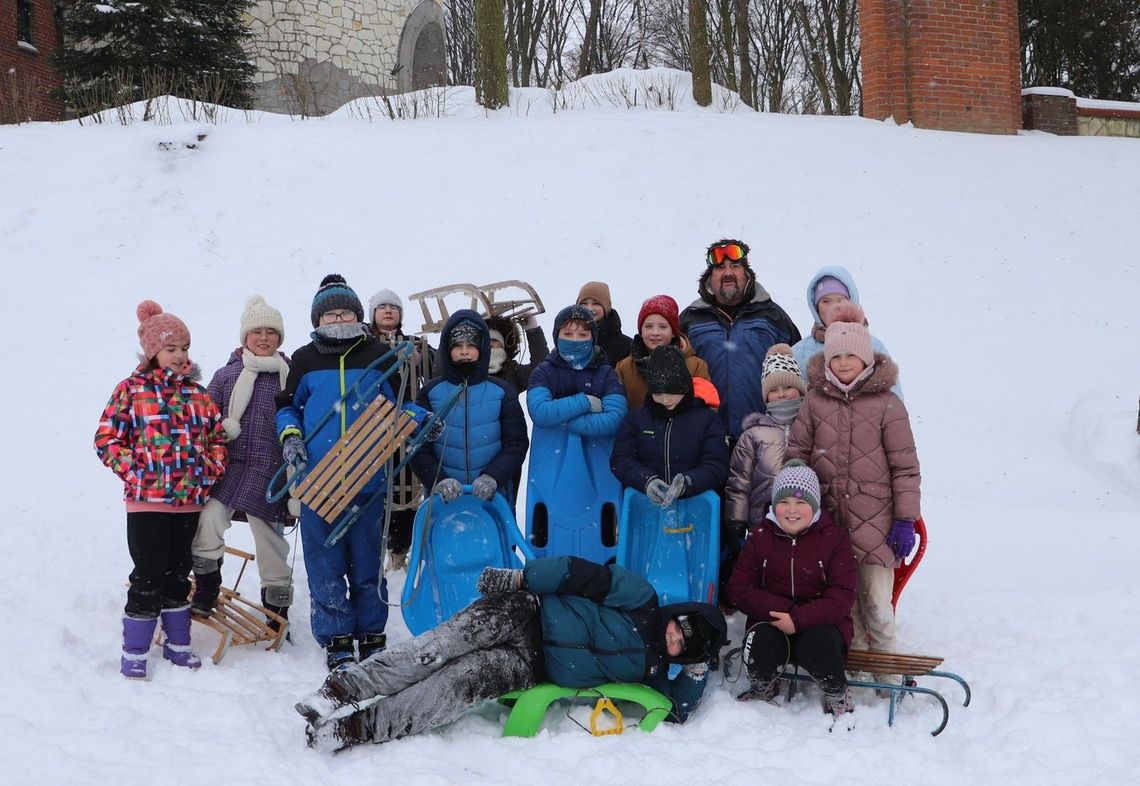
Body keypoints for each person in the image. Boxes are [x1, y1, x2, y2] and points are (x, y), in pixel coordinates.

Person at [295, 556, 728, 751]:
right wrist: (522, 580)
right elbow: (579, 574)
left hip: (531, 667)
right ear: (678, 614)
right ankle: (338, 691)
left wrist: (697, 667)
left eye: (681, 648)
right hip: (527, 613)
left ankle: (355, 731)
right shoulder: (643, 599)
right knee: (439, 648)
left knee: (453, 690)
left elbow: (676, 711)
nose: (673, 640)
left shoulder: (652, 669)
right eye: (678, 630)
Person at [276, 274, 434, 671]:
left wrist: (422, 419)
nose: (337, 319)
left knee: (366, 563)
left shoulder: (376, 354)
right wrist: (291, 436)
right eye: (329, 315)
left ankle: (372, 633)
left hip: (369, 477)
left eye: (344, 311)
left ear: (357, 314)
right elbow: (287, 407)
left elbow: (398, 404)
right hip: (319, 481)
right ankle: (338, 638)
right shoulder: (305, 359)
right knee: (324, 564)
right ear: (317, 320)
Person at [784, 303, 920, 682]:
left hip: (877, 523)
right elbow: (797, 454)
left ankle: (887, 676)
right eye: (836, 355)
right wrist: (798, 504)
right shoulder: (815, 400)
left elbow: (905, 466)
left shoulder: (887, 405)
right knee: (844, 607)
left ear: (866, 359)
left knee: (877, 603)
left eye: (851, 356)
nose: (843, 363)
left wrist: (905, 519)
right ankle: (855, 675)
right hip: (829, 522)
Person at [95, 300, 227, 679]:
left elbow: (217, 436)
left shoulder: (198, 394)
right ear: (153, 351)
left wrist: (210, 467)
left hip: (188, 502)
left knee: (178, 573)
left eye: (184, 348)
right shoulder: (131, 390)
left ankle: (178, 643)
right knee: (148, 573)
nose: (179, 355)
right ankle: (135, 650)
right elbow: (106, 439)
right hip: (147, 502)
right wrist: (133, 472)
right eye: (171, 349)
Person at [190, 296, 294, 631]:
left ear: (279, 338)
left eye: (270, 332)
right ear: (244, 338)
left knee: (269, 539)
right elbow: (205, 415)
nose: (263, 338)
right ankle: (207, 587)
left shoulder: (289, 375)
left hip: (269, 468)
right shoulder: (226, 375)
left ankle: (276, 609)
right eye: (256, 332)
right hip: (229, 466)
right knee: (208, 521)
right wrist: (216, 430)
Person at [726, 461, 858, 717]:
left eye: (801, 502)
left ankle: (837, 692)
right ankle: (764, 686)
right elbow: (738, 589)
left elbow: (842, 596)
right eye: (784, 502)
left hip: (821, 624)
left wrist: (799, 619)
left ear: (815, 505)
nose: (792, 510)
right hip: (773, 621)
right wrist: (784, 612)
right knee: (759, 642)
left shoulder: (835, 538)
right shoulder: (760, 536)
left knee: (818, 644)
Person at [526, 305, 628, 558]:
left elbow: (614, 419)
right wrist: (585, 402)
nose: (575, 340)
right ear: (556, 336)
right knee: (549, 531)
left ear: (593, 338)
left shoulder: (606, 374)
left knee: (600, 534)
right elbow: (540, 411)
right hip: (551, 467)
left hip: (599, 468)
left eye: (583, 335)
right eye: (568, 334)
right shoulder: (544, 372)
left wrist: (564, 418)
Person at [679, 239, 801, 443]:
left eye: (735, 266)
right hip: (705, 438)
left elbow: (798, 371)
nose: (728, 272)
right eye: (720, 268)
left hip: (764, 438)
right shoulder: (690, 319)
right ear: (710, 277)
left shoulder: (773, 315)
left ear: (747, 274)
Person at [410, 309, 529, 507]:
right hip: (443, 499)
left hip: (492, 497)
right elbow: (418, 447)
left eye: (471, 345)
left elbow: (516, 443)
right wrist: (438, 480)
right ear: (447, 349)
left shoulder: (500, 391)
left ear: (482, 348)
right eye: (457, 346)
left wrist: (493, 476)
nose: (464, 351)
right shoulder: (431, 392)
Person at [610, 345, 729, 509]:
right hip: (647, 510)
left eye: (672, 393)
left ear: (685, 388)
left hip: (694, 509)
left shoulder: (707, 419)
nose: (665, 400)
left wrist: (688, 482)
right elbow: (621, 459)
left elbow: (717, 464)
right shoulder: (637, 419)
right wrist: (646, 480)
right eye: (658, 394)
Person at [366, 288, 435, 568]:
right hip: (372, 425)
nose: (388, 311)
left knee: (407, 489)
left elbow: (438, 366)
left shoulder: (415, 344)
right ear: (372, 313)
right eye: (381, 306)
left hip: (408, 422)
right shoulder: (363, 345)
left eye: (393, 307)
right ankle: (376, 549)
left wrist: (423, 359)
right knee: (378, 487)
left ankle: (399, 551)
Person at [791, 266, 903, 399]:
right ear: (816, 307)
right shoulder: (801, 351)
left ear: (852, 301)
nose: (834, 306)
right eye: (825, 301)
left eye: (840, 300)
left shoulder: (873, 345)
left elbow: (894, 400)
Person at [614, 294, 714, 410]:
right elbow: (618, 411)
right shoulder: (624, 368)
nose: (655, 332)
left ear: (673, 332)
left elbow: (707, 408)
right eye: (648, 326)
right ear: (640, 331)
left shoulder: (696, 366)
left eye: (663, 327)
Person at [484, 313, 549, 394]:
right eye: (486, 340)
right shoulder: (471, 367)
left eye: (494, 340)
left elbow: (541, 368)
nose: (490, 344)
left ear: (503, 344)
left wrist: (532, 331)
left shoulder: (512, 371)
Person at [576, 281, 632, 366]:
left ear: (606, 308)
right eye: (584, 303)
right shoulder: (569, 340)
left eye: (596, 303)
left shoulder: (626, 346)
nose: (589, 308)